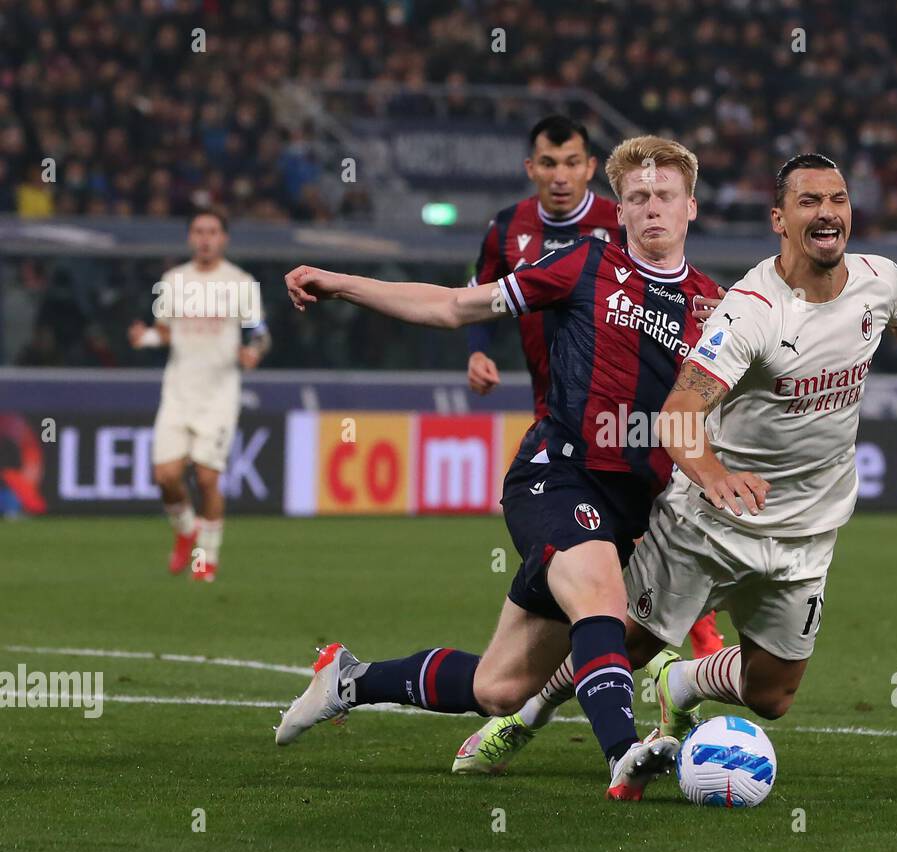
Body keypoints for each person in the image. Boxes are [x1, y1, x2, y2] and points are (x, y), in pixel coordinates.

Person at [461, 153, 897, 762]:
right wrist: (712, 474)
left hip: (808, 529)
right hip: (709, 521)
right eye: (809, 202)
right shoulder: (749, 312)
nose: (827, 213)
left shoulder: (878, 279)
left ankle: (682, 685)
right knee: (616, 649)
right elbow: (681, 409)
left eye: (837, 200)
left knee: (772, 694)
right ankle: (524, 717)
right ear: (779, 219)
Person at [277, 136, 724, 801]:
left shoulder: (716, 309)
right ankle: (622, 756)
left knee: (499, 686)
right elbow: (458, 306)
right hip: (557, 475)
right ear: (620, 210)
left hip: (633, 509)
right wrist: (343, 284)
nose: (651, 208)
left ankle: (349, 678)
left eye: (664, 196)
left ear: (690, 207)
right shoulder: (581, 265)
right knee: (600, 597)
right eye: (637, 198)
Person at [463, 115, 724, 664]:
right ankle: (619, 684)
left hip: (632, 425)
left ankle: (668, 646)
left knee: (632, 554)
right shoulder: (508, 229)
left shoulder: (626, 226)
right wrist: (478, 348)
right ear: (531, 169)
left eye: (572, 163)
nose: (560, 176)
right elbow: (475, 298)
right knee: (594, 585)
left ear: (587, 168)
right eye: (549, 163)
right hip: (563, 411)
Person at [127, 210, 270, 583]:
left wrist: (254, 351)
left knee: (207, 478)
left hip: (219, 394)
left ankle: (206, 557)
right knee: (166, 476)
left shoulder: (240, 283)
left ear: (224, 238)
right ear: (190, 238)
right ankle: (186, 529)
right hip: (178, 392)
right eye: (199, 231)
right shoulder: (173, 281)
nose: (205, 238)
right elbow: (166, 333)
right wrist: (145, 338)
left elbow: (260, 333)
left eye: (212, 232)